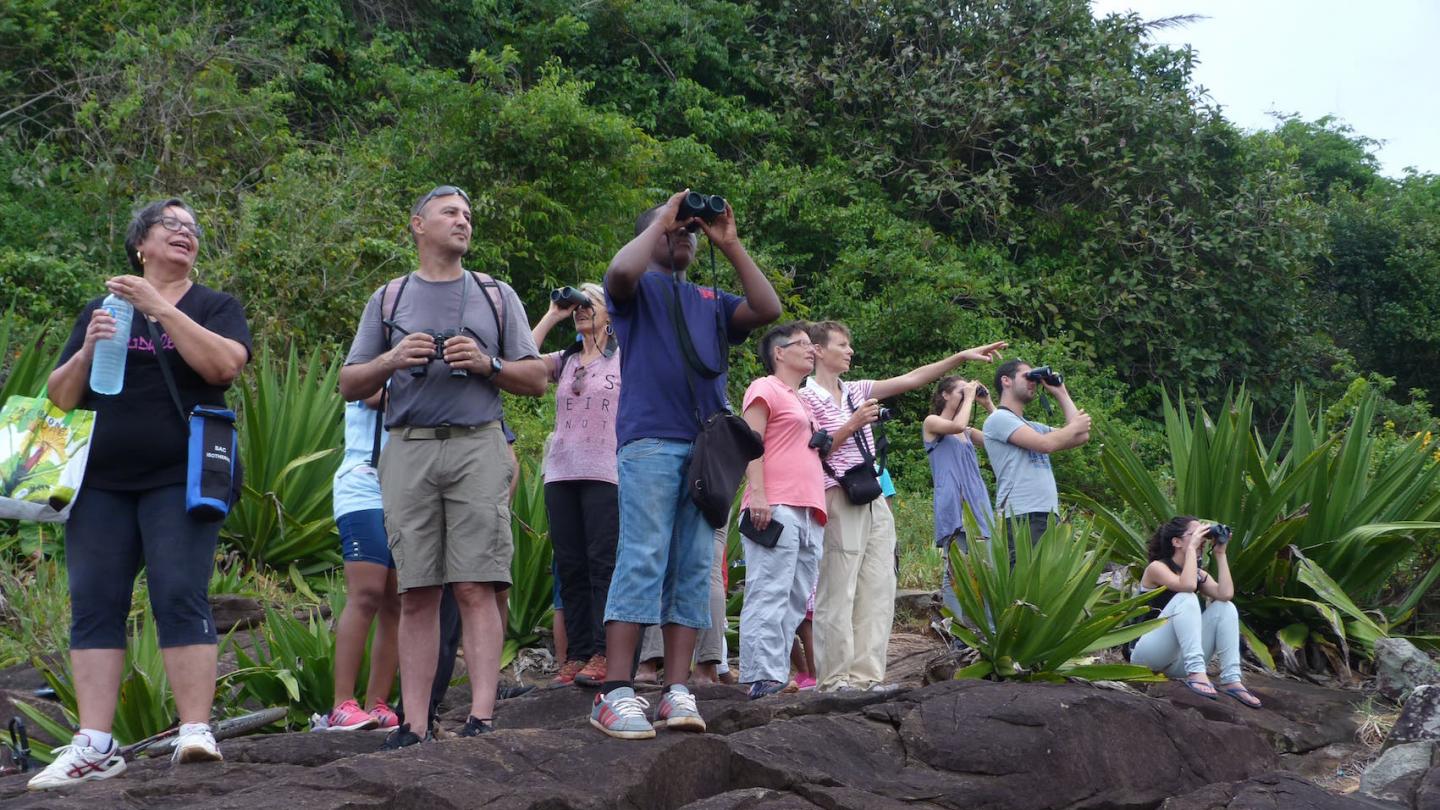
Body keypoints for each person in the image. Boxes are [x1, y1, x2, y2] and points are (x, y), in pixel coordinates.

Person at [29, 199, 251, 790]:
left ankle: (195, 729)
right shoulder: (102, 307)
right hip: (100, 480)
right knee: (95, 601)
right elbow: (60, 398)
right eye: (171, 226)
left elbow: (224, 366)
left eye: (192, 229)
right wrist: (85, 349)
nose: (185, 234)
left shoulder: (214, 307)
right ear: (140, 245)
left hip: (181, 474)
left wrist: (157, 306)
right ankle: (96, 744)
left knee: (180, 592)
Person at [339, 185, 545, 748]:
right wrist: (391, 359)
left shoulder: (495, 294)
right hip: (407, 447)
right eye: (450, 212)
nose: (463, 221)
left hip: (478, 442)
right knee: (417, 591)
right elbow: (349, 383)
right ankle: (415, 723)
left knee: (477, 584)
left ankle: (481, 718)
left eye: (468, 214)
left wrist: (488, 362)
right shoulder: (389, 297)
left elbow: (535, 378)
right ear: (418, 225)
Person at [590, 189, 780, 740]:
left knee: (695, 566)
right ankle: (617, 691)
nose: (684, 236)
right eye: (675, 229)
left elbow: (767, 310)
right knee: (643, 556)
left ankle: (677, 689)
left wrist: (731, 241)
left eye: (690, 232)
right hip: (650, 440)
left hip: (706, 448)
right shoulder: (636, 291)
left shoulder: (710, 298)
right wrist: (662, 221)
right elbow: (619, 272)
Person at [800, 321, 1004, 693]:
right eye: (842, 345)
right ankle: (833, 680)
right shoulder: (806, 397)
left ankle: (867, 677)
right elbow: (817, 448)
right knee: (838, 587)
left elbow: (911, 379)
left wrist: (959, 356)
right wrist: (854, 422)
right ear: (817, 350)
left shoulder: (855, 389)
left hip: (874, 494)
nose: (850, 351)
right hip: (838, 493)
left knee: (878, 587)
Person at [530, 282, 621, 688]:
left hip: (607, 472)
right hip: (561, 473)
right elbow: (521, 358)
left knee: (603, 564)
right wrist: (554, 314)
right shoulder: (565, 359)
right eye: (578, 303)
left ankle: (605, 651)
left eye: (591, 303)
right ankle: (577, 654)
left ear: (611, 313)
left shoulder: (627, 357)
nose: (583, 309)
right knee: (570, 566)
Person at [738, 323, 827, 700]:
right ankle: (762, 676)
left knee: (794, 597)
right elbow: (748, 443)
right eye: (803, 344)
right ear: (779, 352)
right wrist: (757, 493)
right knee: (769, 590)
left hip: (810, 509)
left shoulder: (804, 399)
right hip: (775, 503)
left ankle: (773, 672)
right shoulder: (765, 387)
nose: (812, 350)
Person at [1130, 517, 1261, 709]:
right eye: (1196, 534)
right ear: (1177, 542)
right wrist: (1192, 548)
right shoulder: (1157, 568)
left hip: (1177, 663)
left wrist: (1220, 553)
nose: (1202, 540)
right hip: (1147, 656)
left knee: (1225, 607)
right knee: (1187, 597)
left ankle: (1232, 679)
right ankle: (1197, 672)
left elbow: (1225, 594)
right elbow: (1187, 586)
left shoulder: (1198, 573)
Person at [325, 397, 400, 731]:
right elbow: (369, 391)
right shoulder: (373, 350)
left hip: (407, 488)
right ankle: (342, 703)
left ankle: (377, 702)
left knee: (398, 599)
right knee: (367, 592)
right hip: (363, 482)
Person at [982, 360, 1090, 554]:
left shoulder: (1034, 427)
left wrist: (1061, 392)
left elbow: (1081, 436)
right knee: (1023, 582)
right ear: (1006, 381)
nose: (1033, 382)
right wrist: (1074, 426)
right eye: (1027, 376)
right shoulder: (998, 419)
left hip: (1046, 514)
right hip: (1022, 516)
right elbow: (1045, 445)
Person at [922, 377, 996, 619]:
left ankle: (989, 631)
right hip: (955, 505)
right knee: (956, 572)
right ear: (944, 395)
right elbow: (955, 426)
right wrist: (970, 397)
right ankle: (957, 634)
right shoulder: (932, 423)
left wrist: (988, 405)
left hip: (977, 503)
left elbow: (998, 440)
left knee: (988, 569)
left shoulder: (967, 430)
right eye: (960, 391)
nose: (966, 395)